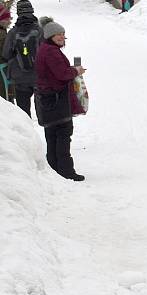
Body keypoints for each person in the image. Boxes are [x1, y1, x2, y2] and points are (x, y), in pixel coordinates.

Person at [34, 18, 86, 181]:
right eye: (58, 35)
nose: (62, 37)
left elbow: (56, 71)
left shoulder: (45, 48)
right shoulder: (51, 51)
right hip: (56, 100)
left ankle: (55, 169)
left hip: (47, 98)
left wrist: (71, 70)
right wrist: (75, 71)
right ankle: (66, 171)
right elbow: (62, 74)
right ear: (50, 36)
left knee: (52, 135)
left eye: (63, 34)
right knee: (63, 134)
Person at [2, 0, 42, 116]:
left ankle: (26, 132)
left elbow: (6, 54)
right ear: (32, 10)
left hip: (19, 78)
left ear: (18, 13)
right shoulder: (40, 31)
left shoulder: (13, 33)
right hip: (38, 77)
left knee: (23, 114)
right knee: (43, 112)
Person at [0, 4, 11, 101]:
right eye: (7, 18)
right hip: (2, 68)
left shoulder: (3, 31)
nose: (9, 21)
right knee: (6, 98)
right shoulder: (2, 33)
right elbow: (6, 52)